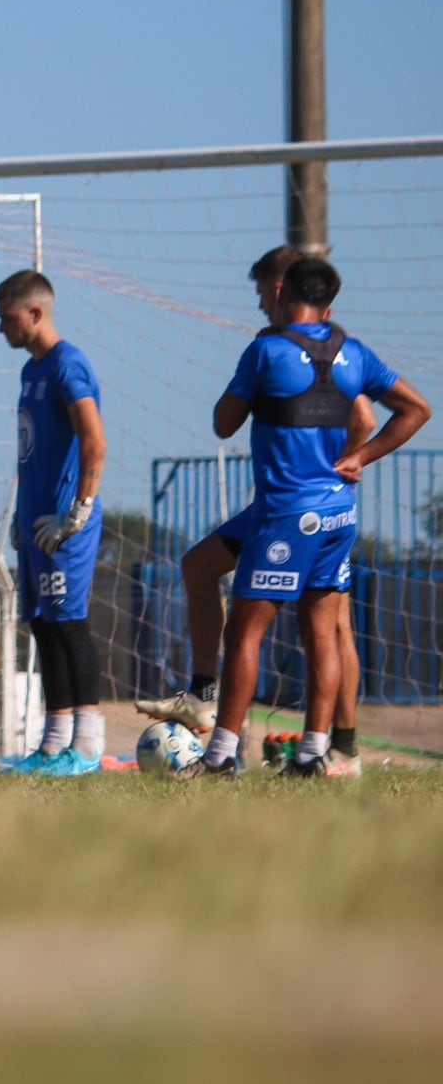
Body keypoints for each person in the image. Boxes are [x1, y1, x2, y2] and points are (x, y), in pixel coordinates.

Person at [139, 245, 375, 774]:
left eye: (262, 295)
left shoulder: (300, 349)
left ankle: (341, 750)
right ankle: (204, 692)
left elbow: (363, 415)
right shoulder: (315, 343)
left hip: (300, 506)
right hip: (290, 503)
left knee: (329, 628)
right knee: (199, 565)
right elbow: (365, 416)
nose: (261, 307)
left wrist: (344, 462)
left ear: (279, 290)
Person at [188, 257, 428, 778]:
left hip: (286, 514)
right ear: (329, 306)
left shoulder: (267, 351)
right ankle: (314, 754)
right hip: (340, 511)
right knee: (321, 632)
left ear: (280, 293)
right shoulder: (356, 354)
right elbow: (417, 410)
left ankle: (221, 755)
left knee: (247, 633)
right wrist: (361, 456)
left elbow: (224, 424)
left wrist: (256, 388)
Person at [0, 270, 109, 776]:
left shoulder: (68, 365)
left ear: (36, 314)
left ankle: (86, 746)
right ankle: (53, 743)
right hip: (35, 522)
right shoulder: (31, 371)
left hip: (66, 523)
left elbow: (94, 440)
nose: (2, 330)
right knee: (42, 624)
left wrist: (79, 509)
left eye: (8, 319)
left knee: (69, 624)